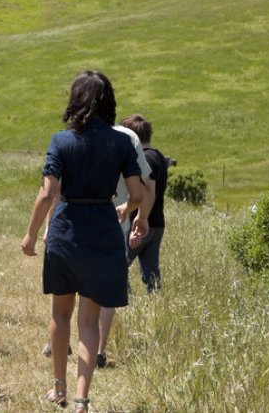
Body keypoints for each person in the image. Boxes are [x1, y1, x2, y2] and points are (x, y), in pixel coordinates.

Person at [22, 70, 148, 412]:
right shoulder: (121, 142)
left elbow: (48, 193)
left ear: (75, 99)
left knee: (61, 315)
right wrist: (127, 207)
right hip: (103, 230)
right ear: (108, 102)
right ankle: (82, 399)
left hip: (66, 231)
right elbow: (137, 192)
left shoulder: (61, 141)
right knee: (89, 322)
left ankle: (58, 390)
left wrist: (31, 234)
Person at [95, 121, 153, 368]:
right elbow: (146, 184)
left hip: (78, 222)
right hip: (116, 223)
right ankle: (99, 349)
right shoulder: (128, 137)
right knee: (108, 288)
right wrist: (140, 216)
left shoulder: (72, 134)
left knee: (74, 283)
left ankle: (60, 341)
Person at [121, 114, 169, 293]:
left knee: (117, 265)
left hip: (140, 223)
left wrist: (140, 220)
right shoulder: (158, 156)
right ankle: (155, 304)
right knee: (152, 274)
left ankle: (127, 302)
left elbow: (148, 188)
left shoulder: (145, 159)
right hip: (157, 223)